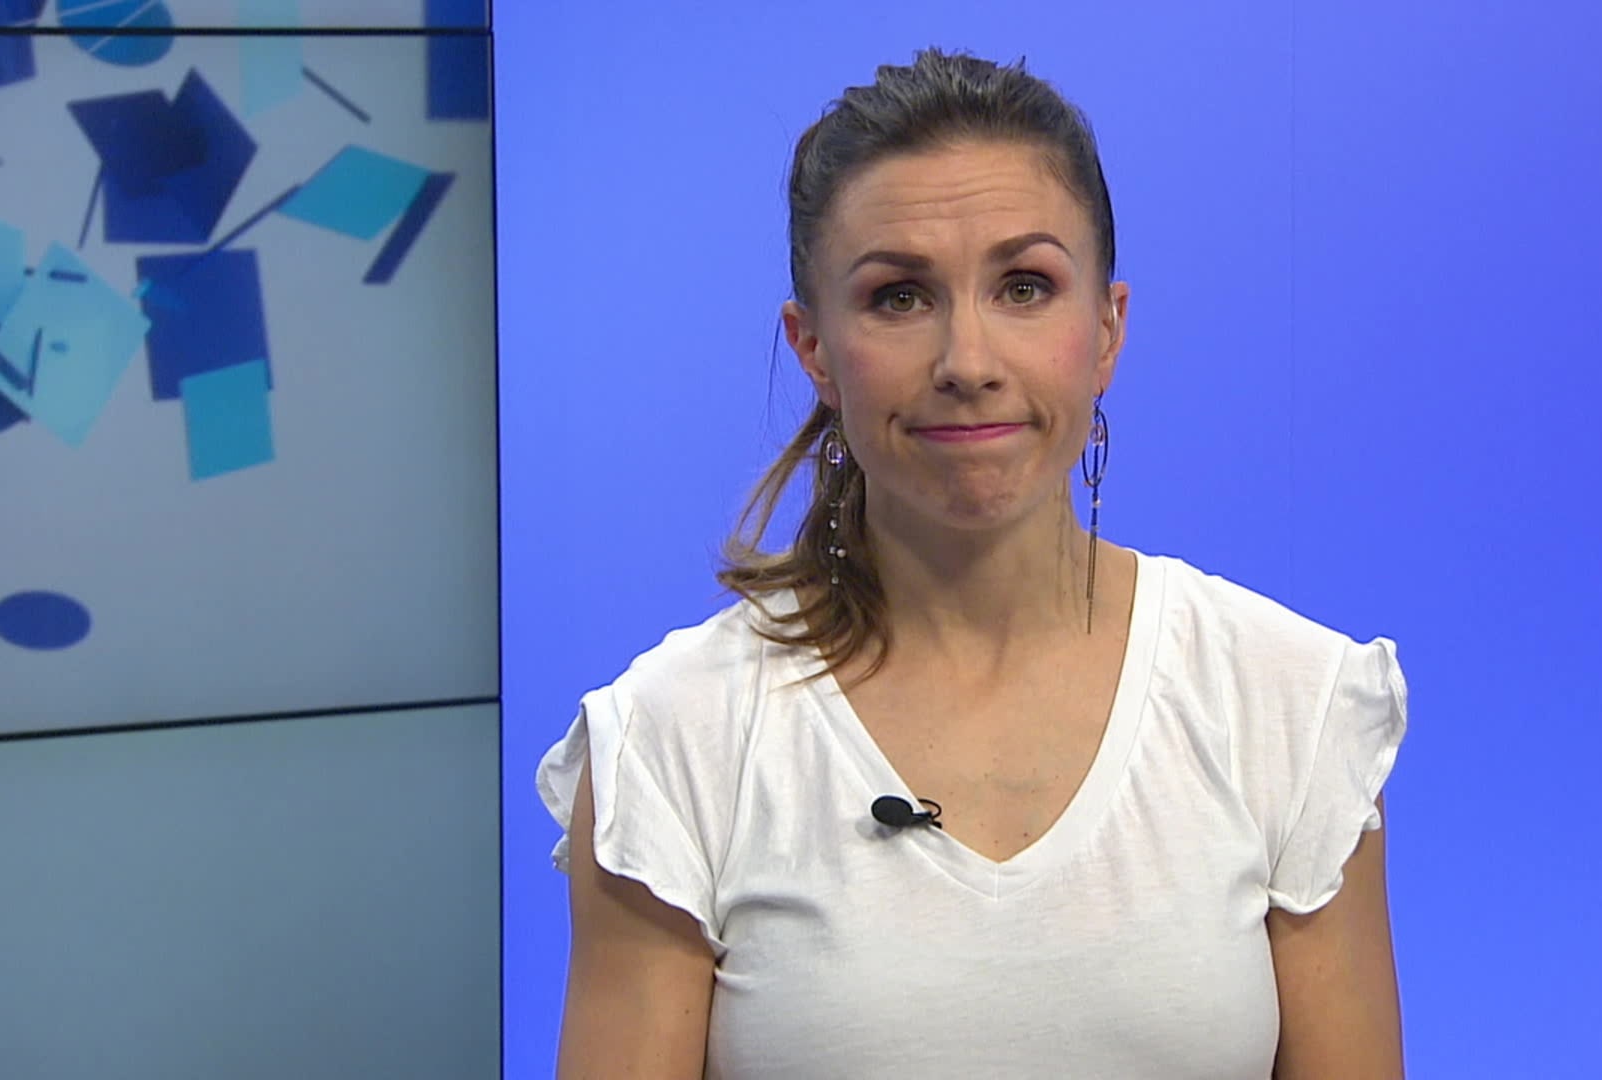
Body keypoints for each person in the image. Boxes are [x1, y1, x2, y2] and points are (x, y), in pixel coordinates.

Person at [537, 47, 1409, 1079]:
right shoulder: (674, 741)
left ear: (1108, 329)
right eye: (899, 297)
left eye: (1024, 287)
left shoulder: (1288, 703)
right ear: (814, 349)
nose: (968, 362)